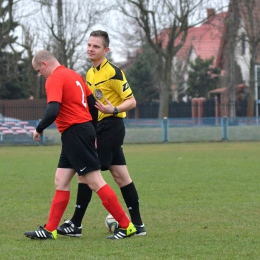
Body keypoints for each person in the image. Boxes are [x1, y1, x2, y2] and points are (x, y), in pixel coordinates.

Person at [23, 50, 136, 240]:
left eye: (38, 70)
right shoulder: (74, 75)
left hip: (75, 133)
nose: (39, 74)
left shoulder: (54, 78)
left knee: (94, 181)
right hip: (76, 133)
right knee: (61, 179)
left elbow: (53, 109)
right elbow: (92, 105)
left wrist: (39, 128)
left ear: (44, 64)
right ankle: (50, 230)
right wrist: (91, 131)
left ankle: (126, 226)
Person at [57, 30, 146, 237]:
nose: (90, 49)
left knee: (86, 173)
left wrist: (113, 109)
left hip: (112, 126)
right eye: (89, 45)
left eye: (95, 46)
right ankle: (139, 225)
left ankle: (77, 224)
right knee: (121, 176)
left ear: (106, 50)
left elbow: (132, 101)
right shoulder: (90, 73)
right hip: (99, 128)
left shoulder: (114, 73)